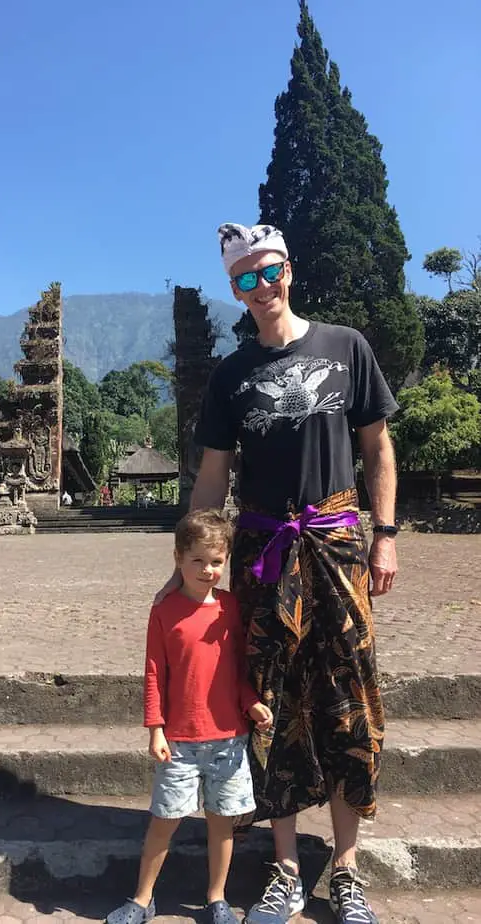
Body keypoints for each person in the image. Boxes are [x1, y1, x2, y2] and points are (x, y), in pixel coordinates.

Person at [156, 223, 399, 924]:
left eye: (268, 272)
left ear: (288, 269)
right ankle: (286, 867)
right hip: (263, 555)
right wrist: (187, 569)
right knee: (271, 700)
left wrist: (383, 536)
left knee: (349, 694)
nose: (260, 288)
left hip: (337, 545)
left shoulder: (345, 346)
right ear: (232, 287)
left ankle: (347, 867)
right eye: (243, 279)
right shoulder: (231, 375)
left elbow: (376, 449)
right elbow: (210, 480)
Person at [106, 509, 273, 924]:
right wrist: (155, 728)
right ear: (178, 557)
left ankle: (217, 898)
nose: (207, 570)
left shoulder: (231, 608)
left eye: (216, 561)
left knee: (222, 824)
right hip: (178, 741)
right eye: (197, 560)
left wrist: (250, 701)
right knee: (164, 821)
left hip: (228, 738)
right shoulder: (164, 611)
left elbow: (237, 668)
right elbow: (153, 671)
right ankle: (142, 899)